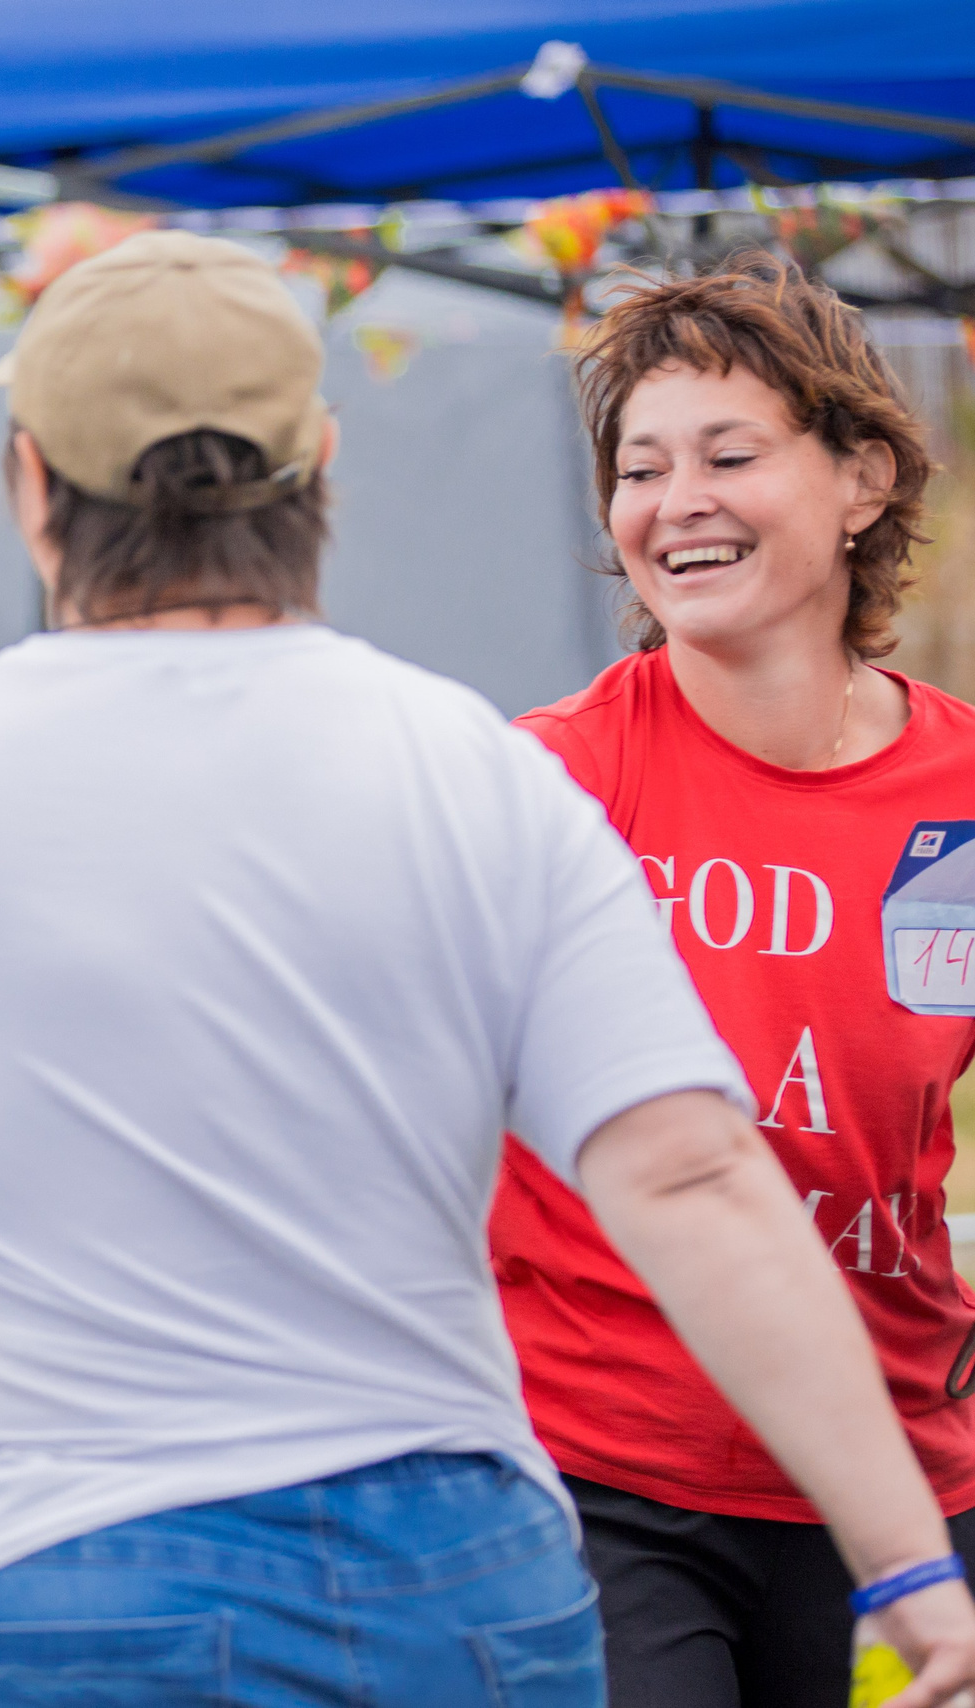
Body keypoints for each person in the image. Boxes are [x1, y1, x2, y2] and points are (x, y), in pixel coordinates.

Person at [0, 231, 975, 1707]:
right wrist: (911, 1570)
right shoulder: (483, 776)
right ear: (319, 460)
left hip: (48, 1588)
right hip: (459, 1584)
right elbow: (695, 1175)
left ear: (31, 484)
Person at [487, 251, 975, 1707]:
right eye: (640, 469)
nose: (674, 501)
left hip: (899, 1479)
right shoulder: (548, 783)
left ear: (865, 478)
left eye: (729, 454)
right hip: (604, 1480)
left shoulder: (958, 791)